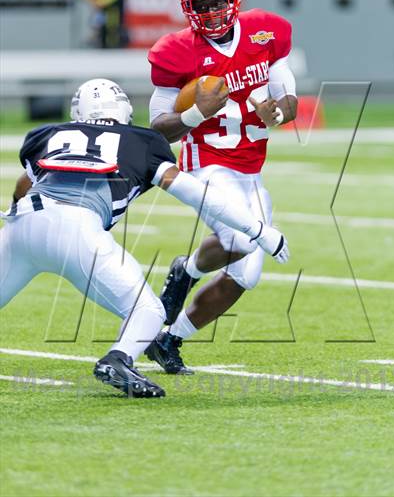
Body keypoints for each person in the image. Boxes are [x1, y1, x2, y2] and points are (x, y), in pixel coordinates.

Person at [0, 78, 289, 399]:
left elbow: (24, 184)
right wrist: (258, 229)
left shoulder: (46, 134)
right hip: (77, 230)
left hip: (20, 225)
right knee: (150, 311)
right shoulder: (142, 140)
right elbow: (198, 194)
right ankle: (119, 359)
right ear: (124, 110)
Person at [146, 0, 298, 374]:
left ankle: (170, 337)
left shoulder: (267, 31)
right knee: (242, 238)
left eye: (219, 3)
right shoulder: (176, 52)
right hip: (206, 164)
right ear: (187, 7)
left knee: (246, 275)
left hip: (251, 168)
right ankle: (188, 271)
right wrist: (196, 113)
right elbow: (159, 128)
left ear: (234, 0)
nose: (212, 12)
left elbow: (289, 100)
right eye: (203, 5)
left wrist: (277, 116)